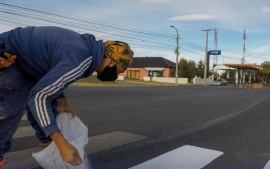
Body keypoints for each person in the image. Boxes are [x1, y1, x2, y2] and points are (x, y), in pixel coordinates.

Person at [0, 26, 134, 168]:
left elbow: (51, 79)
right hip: (8, 54)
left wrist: (62, 100)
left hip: (27, 62)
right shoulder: (82, 58)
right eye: (119, 71)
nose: (117, 75)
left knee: (49, 108)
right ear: (111, 61)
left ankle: (51, 156)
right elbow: (39, 96)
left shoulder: (87, 50)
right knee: (12, 108)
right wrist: (62, 143)